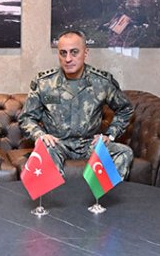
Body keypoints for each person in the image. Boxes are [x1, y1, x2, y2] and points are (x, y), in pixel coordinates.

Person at [19, 30, 134, 179]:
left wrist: (110, 135)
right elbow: (26, 118)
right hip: (56, 143)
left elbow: (125, 109)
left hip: (89, 144)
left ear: (85, 52)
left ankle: (97, 192)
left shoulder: (101, 82)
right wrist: (40, 135)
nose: (68, 59)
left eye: (74, 52)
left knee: (124, 152)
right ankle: (55, 195)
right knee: (45, 151)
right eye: (63, 53)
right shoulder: (44, 83)